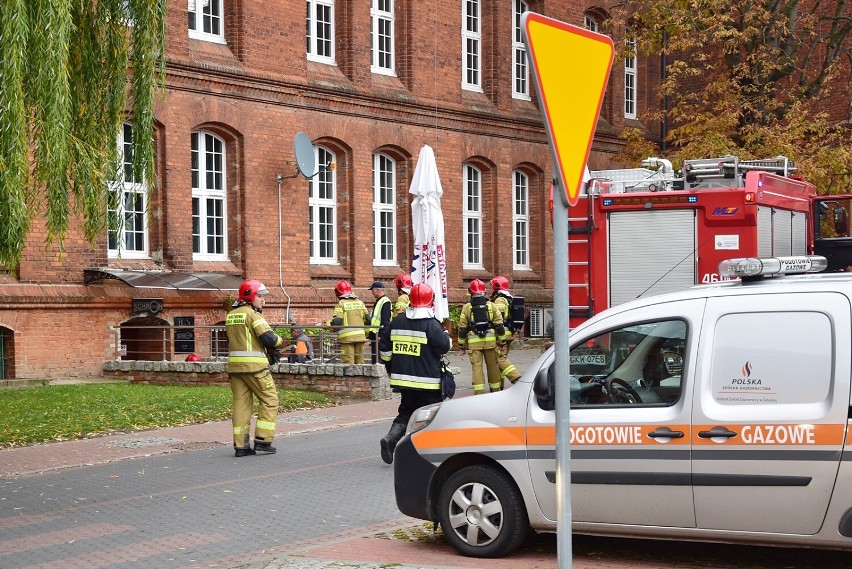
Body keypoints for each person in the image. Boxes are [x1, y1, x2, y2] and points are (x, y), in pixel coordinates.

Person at [379, 282, 451, 464]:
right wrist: (447, 337)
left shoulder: (398, 321)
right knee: (432, 414)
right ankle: (426, 451)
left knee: (406, 412)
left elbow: (384, 349)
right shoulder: (431, 325)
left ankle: (390, 439)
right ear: (430, 301)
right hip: (428, 382)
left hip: (403, 380)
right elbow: (443, 347)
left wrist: (390, 368)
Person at [225, 279, 283, 457]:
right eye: (259, 295)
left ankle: (241, 446)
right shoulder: (253, 315)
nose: (262, 300)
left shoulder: (231, 315)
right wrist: (279, 342)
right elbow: (269, 339)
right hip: (255, 368)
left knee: (241, 405)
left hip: (235, 369)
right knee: (269, 400)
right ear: (250, 296)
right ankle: (263, 441)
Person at [457, 279, 505, 395]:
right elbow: (499, 326)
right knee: (493, 367)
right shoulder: (492, 306)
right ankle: (496, 391)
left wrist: (461, 344)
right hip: (491, 343)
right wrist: (501, 341)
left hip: (474, 344)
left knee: (477, 368)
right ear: (484, 291)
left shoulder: (467, 307)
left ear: (471, 292)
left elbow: (462, 328)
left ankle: (479, 393)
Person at [490, 276, 521, 387]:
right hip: (509, 332)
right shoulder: (508, 297)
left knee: (500, 358)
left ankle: (517, 378)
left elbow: (499, 318)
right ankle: (500, 385)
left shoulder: (499, 299)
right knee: (502, 359)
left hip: (503, 333)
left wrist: (498, 335)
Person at [328, 279, 368, 364]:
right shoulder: (360, 302)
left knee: (348, 364)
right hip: (361, 337)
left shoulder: (341, 303)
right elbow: (368, 320)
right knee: (360, 364)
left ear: (338, 293)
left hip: (347, 339)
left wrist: (327, 325)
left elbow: (337, 322)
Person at [366, 281, 391, 363]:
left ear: (377, 289)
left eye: (372, 290)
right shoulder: (380, 301)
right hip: (375, 334)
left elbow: (385, 320)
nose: (372, 293)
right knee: (375, 358)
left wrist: (381, 335)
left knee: (378, 360)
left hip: (379, 335)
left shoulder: (385, 301)